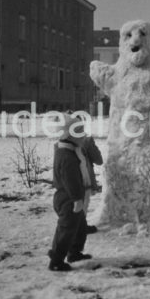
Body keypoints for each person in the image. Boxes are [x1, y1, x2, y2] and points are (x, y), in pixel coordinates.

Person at [48, 114, 92, 272]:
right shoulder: (67, 157)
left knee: (80, 227)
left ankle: (74, 252)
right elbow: (70, 180)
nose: (83, 134)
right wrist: (76, 199)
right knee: (66, 229)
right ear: (69, 134)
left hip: (72, 197)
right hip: (68, 199)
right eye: (79, 131)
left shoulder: (71, 151)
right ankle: (56, 260)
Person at [82, 134, 103, 234]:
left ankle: (78, 227)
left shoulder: (60, 142)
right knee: (83, 204)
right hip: (84, 178)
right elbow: (99, 160)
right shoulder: (86, 141)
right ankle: (81, 227)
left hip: (67, 180)